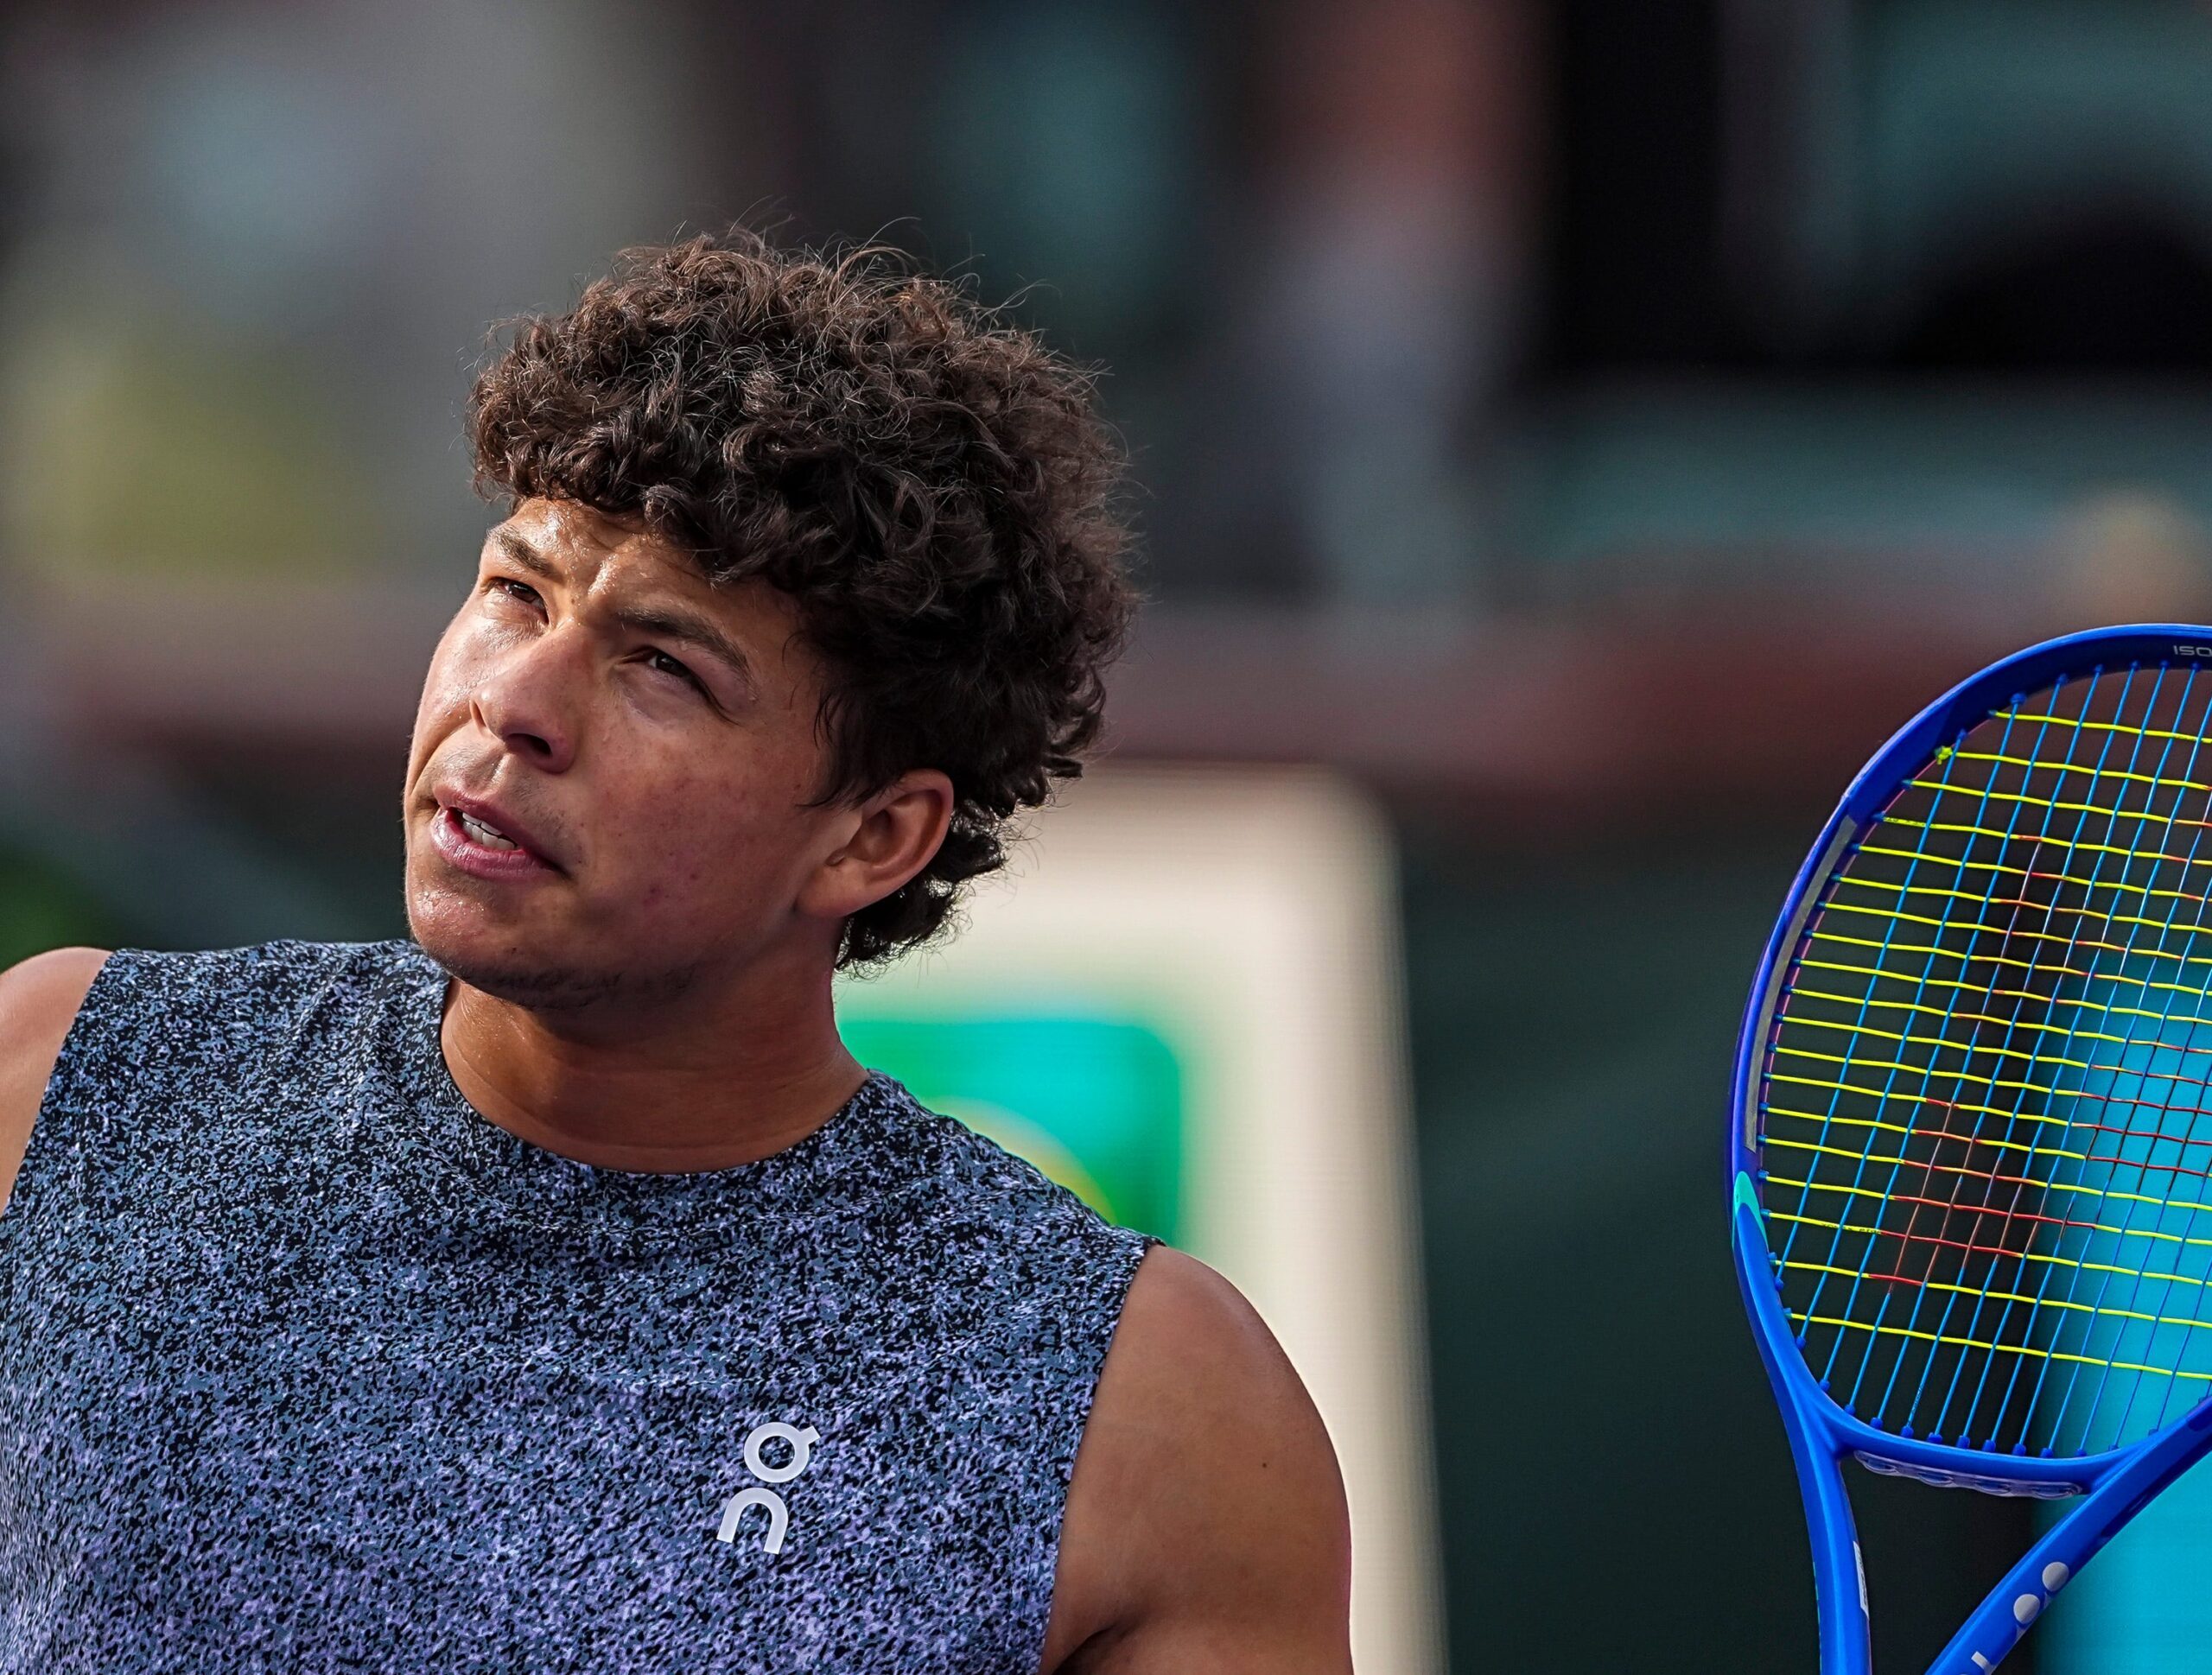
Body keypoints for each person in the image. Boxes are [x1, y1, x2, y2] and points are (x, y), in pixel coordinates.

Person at [0, 230, 1353, 1671]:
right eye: (514, 591)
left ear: (872, 839)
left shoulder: (1144, 1407)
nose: (514, 699)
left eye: (662, 666)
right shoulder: (57, 1082)